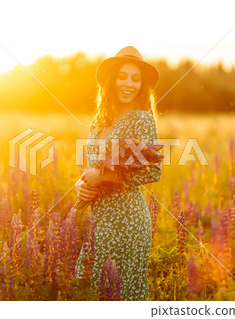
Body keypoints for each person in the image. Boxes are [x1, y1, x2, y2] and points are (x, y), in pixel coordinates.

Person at [75, 46, 161, 300]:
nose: (129, 84)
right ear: (112, 79)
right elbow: (92, 165)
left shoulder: (141, 119)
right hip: (100, 218)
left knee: (123, 294)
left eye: (136, 79)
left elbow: (152, 171)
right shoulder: (99, 120)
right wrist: (80, 185)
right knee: (89, 285)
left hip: (128, 220)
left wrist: (102, 177)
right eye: (123, 76)